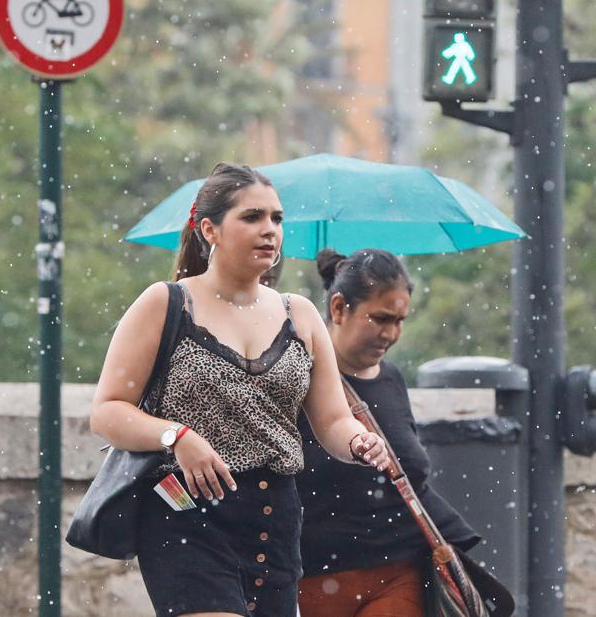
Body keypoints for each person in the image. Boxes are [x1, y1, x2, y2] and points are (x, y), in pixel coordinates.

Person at [90, 163, 390, 617]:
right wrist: (177, 436)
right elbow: (107, 412)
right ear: (209, 229)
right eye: (252, 217)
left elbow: (331, 419)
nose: (269, 230)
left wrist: (358, 441)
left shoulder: (301, 314)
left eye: (277, 219)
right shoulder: (166, 303)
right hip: (186, 509)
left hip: (275, 516)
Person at [295, 248, 481, 616]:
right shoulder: (297, 379)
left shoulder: (392, 380)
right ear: (338, 309)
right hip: (314, 574)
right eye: (380, 318)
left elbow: (410, 471)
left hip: (399, 569)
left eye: (399, 321)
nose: (391, 334)